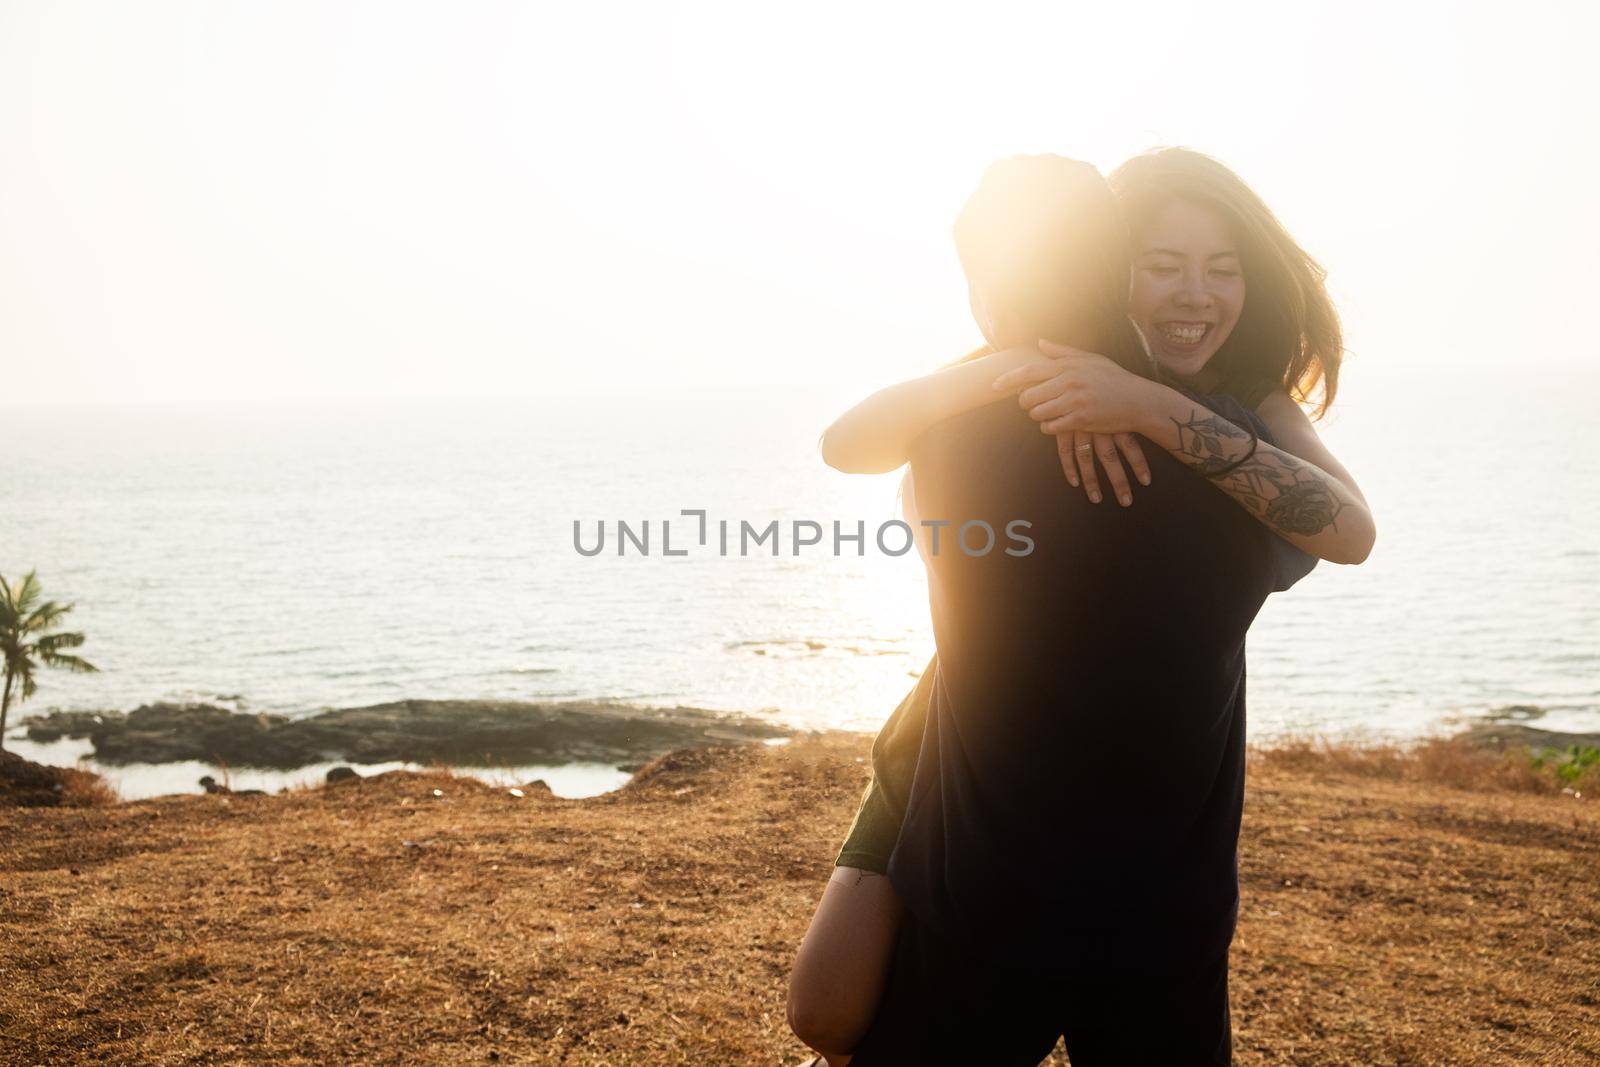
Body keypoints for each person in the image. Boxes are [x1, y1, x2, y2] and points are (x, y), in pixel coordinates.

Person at [787, 149, 1374, 1065]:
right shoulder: (1018, 390)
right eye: (1163, 266)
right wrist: (1028, 371)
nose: (1195, 294)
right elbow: (848, 443)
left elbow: (1350, 525)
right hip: (969, 783)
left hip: (1085, 878)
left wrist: (1143, 404)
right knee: (825, 1010)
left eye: (1224, 270)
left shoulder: (1239, 416)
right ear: (1109, 269)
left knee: (847, 1017)